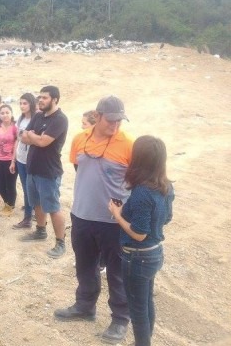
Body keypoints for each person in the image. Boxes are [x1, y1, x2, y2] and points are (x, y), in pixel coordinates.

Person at [54, 96, 133, 343]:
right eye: (111, 120)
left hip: (113, 222)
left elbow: (136, 181)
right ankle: (85, 306)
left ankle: (120, 319)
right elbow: (81, 169)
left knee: (117, 272)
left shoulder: (128, 144)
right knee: (85, 265)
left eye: (120, 120)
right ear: (97, 116)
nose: (116, 125)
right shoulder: (80, 139)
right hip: (82, 216)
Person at [109, 135, 173, 346]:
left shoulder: (141, 192)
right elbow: (167, 218)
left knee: (137, 310)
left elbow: (139, 233)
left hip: (138, 256)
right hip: (154, 254)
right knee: (145, 303)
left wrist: (117, 214)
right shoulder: (166, 186)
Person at [18, 85, 69, 258]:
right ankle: (40, 231)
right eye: (39, 97)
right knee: (37, 203)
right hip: (32, 167)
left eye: (45, 98)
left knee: (53, 207)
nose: (40, 100)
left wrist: (33, 137)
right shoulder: (39, 116)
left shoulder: (60, 119)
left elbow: (43, 142)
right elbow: (23, 137)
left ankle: (60, 242)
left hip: (49, 171)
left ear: (55, 99)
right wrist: (34, 137)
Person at [12, 93, 37, 228]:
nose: (22, 106)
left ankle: (28, 217)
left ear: (31, 104)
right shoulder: (20, 119)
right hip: (21, 157)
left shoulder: (35, 119)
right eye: (21, 103)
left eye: (25, 103)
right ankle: (29, 213)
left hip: (31, 159)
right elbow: (18, 138)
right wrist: (14, 158)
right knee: (26, 188)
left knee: (30, 188)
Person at [0, 104, 18, 215]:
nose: (5, 115)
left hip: (10, 160)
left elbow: (17, 144)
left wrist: (13, 161)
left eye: (7, 112)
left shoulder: (15, 127)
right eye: (2, 113)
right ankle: (8, 204)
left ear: (11, 113)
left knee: (10, 184)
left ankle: (9, 207)